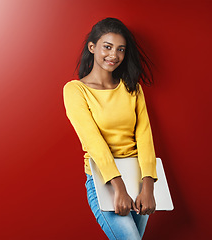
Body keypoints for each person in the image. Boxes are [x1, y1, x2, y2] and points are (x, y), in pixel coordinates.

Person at [63, 17, 157, 240]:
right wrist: (119, 188)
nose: (114, 55)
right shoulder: (76, 90)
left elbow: (144, 138)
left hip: (139, 179)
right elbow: (93, 142)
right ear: (92, 47)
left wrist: (149, 188)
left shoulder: (132, 88)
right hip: (104, 181)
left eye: (120, 49)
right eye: (107, 47)